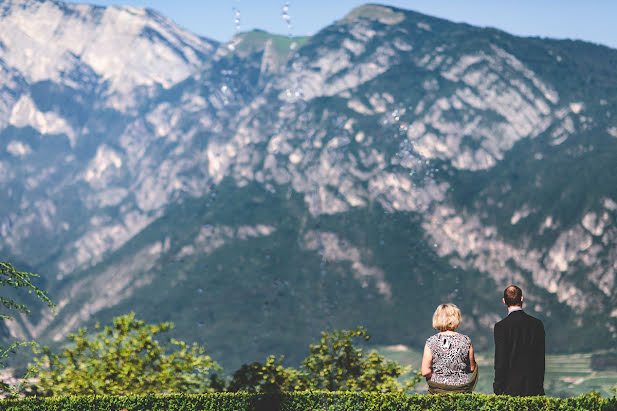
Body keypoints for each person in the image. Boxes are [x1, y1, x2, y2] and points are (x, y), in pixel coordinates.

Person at [493, 285, 545, 396]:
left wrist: (498, 387)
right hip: (532, 386)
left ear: (504, 301)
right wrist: (539, 386)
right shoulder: (537, 324)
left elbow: (500, 359)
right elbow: (540, 358)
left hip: (509, 387)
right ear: (522, 299)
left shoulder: (501, 327)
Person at [421, 303, 478, 394]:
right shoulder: (466, 340)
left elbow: (425, 372)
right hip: (461, 390)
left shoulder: (431, 341)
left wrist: (438, 375)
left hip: (438, 390)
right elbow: (472, 368)